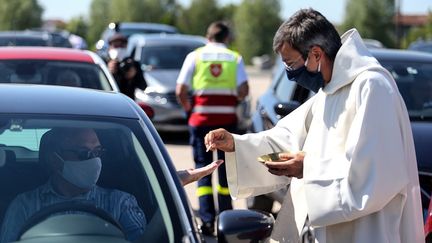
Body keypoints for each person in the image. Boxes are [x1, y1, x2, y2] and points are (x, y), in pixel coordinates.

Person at [205, 8, 424, 243]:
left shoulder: (371, 87)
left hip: (366, 231)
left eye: (291, 63)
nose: (290, 73)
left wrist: (307, 168)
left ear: (316, 54)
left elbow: (374, 175)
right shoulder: (330, 90)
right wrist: (236, 143)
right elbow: (288, 137)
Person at [0, 127, 222, 242]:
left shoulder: (120, 202)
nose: (95, 160)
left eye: (98, 152)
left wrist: (170, 185)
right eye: (84, 153)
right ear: (54, 160)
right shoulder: (24, 205)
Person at [176, 21, 249, 235]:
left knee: (202, 170)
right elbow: (244, 89)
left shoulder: (195, 56)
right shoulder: (235, 57)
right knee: (227, 171)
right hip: (226, 123)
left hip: (200, 122)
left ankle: (207, 222)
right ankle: (226, 218)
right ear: (226, 38)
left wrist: (191, 110)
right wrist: (231, 101)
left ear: (208, 37)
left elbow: (181, 90)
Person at [107, 33, 147, 100]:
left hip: (128, 101)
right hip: (109, 101)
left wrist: (133, 76)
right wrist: (108, 72)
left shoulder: (133, 64)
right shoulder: (103, 63)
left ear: (126, 46)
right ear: (110, 47)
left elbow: (143, 86)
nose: (119, 48)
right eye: (116, 45)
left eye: (122, 45)